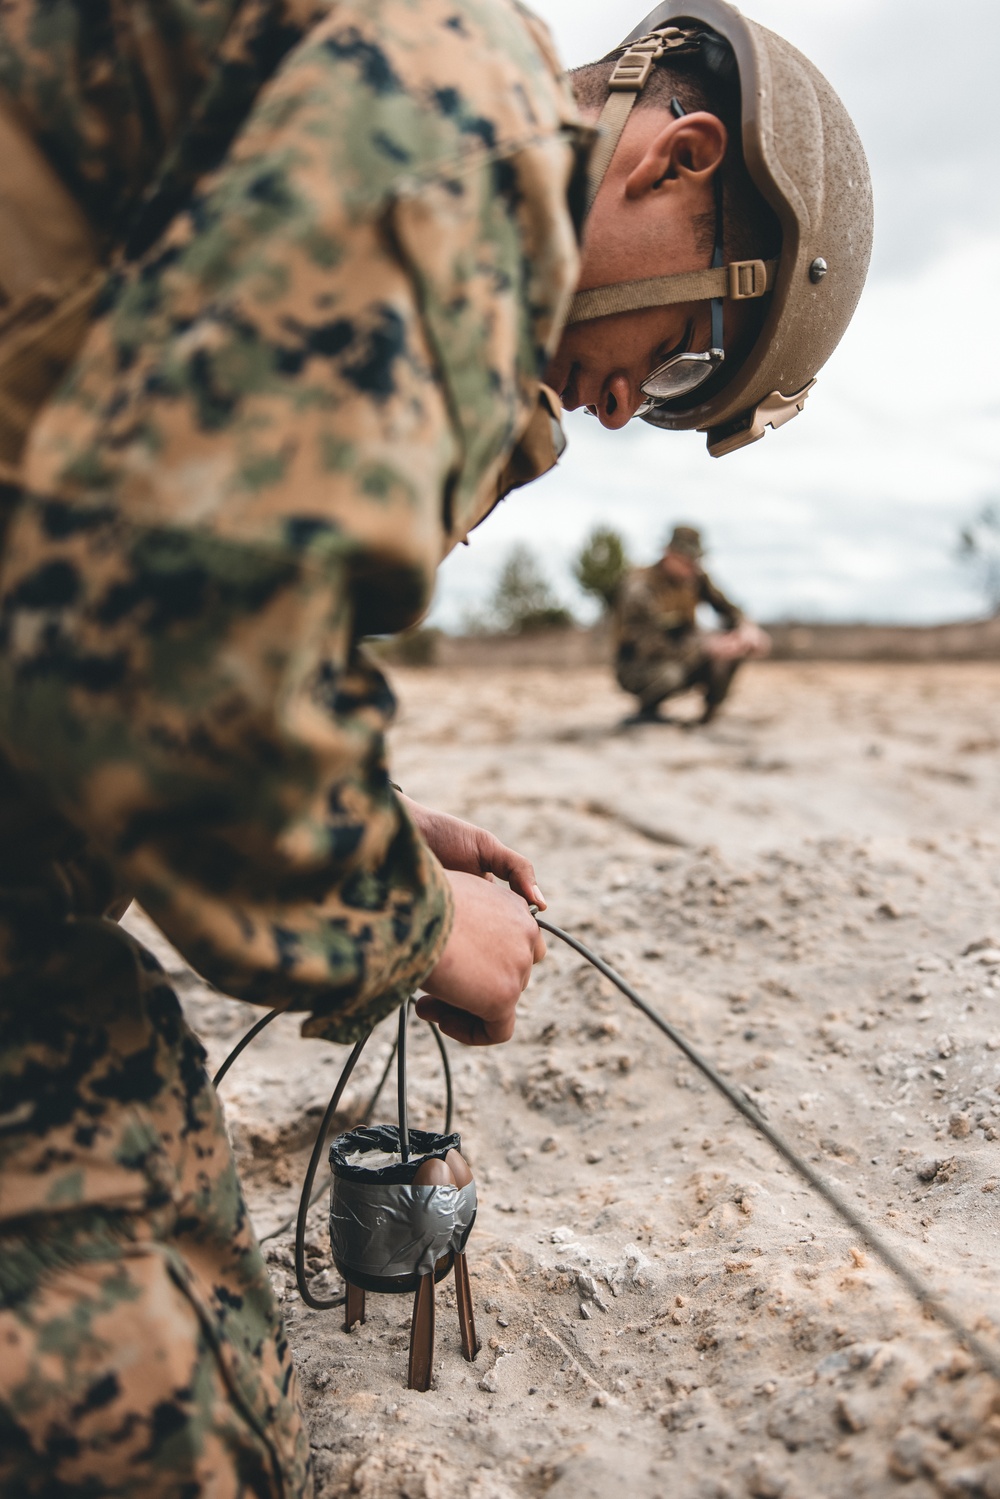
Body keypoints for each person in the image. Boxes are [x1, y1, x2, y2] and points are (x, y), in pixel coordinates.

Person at [0, 0, 872, 1491]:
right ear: (678, 158)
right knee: (160, 1423)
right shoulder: (453, 111)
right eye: (680, 358)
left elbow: (140, 572)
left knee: (214, 1302)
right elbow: (155, 647)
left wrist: (377, 825)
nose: (618, 402)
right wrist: (413, 927)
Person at [616, 523, 770, 723]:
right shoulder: (640, 587)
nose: (693, 566)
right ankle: (648, 709)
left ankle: (710, 714)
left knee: (732, 650)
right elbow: (645, 643)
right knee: (671, 675)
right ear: (668, 554)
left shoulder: (696, 579)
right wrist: (705, 647)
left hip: (685, 653)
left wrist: (746, 629)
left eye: (696, 560)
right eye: (686, 560)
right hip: (639, 665)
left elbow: (728, 609)